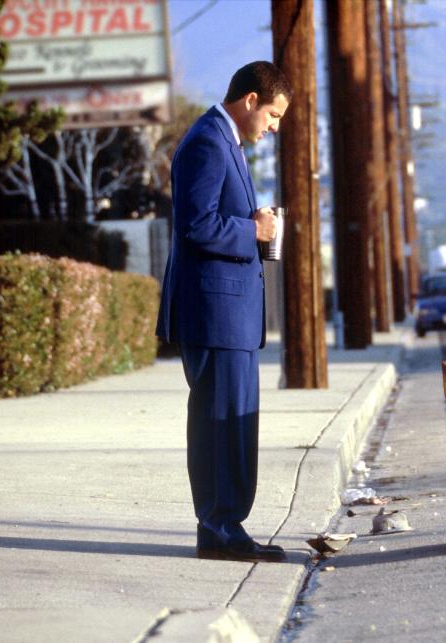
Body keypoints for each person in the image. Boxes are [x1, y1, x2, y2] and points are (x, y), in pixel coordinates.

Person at [156, 61, 291, 562]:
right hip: (213, 313)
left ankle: (225, 526)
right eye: (274, 115)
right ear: (251, 100)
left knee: (233, 422)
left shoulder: (226, 141)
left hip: (229, 314)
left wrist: (255, 227)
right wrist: (252, 231)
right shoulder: (209, 141)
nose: (275, 127)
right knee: (219, 423)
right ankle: (218, 528)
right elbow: (196, 224)